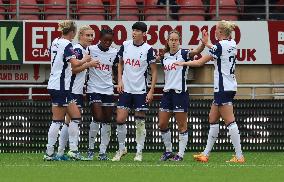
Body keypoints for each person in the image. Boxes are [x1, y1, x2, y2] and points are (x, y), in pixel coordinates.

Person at [175, 20, 245, 163]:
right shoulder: (231, 44)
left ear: (220, 32)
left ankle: (239, 156)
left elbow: (212, 48)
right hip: (227, 86)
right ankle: (205, 154)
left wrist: (206, 42)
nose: (214, 31)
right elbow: (200, 61)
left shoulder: (220, 46)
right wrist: (183, 63)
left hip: (223, 88)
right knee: (213, 118)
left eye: (216, 29)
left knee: (230, 121)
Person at [44, 20, 93, 160]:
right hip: (61, 86)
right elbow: (75, 63)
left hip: (57, 84)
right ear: (72, 32)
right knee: (57, 121)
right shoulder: (67, 44)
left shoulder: (55, 41)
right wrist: (86, 60)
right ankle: (49, 153)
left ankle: (71, 151)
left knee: (76, 117)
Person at [112, 22, 158, 162]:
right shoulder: (125, 45)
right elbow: (120, 63)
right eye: (133, 30)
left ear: (144, 34)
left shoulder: (148, 49)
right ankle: (121, 149)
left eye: (137, 31)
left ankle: (139, 152)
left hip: (140, 90)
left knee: (140, 122)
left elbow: (154, 71)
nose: (134, 33)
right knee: (120, 119)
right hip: (126, 89)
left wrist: (151, 91)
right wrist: (119, 80)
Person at [158, 30, 206, 161]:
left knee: (182, 125)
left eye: (176, 40)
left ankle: (180, 154)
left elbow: (196, 51)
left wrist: (203, 43)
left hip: (180, 93)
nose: (173, 42)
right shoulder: (165, 56)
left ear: (179, 41)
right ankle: (168, 151)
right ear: (167, 41)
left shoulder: (184, 54)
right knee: (162, 124)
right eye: (171, 40)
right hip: (167, 94)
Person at [54, 25, 99, 160]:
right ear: (80, 36)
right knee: (74, 119)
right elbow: (72, 70)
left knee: (69, 122)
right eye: (87, 35)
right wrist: (88, 64)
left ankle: (61, 152)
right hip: (71, 90)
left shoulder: (84, 50)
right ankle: (73, 150)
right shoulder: (78, 50)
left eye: (92, 35)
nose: (90, 38)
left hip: (76, 90)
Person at [86, 28, 119, 161]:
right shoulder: (91, 50)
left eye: (110, 40)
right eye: (105, 40)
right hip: (93, 88)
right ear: (99, 39)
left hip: (108, 89)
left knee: (107, 120)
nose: (107, 42)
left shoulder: (114, 52)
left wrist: (119, 80)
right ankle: (90, 148)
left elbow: (117, 69)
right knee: (97, 117)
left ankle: (102, 151)